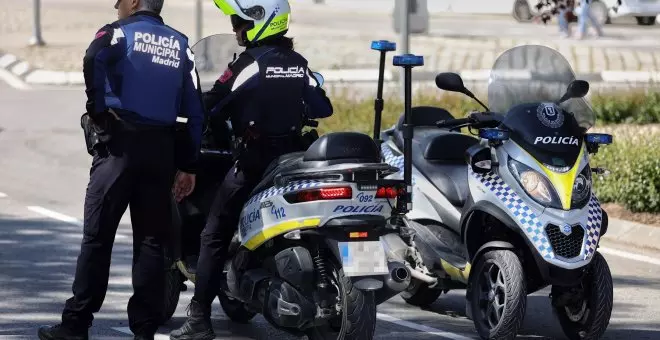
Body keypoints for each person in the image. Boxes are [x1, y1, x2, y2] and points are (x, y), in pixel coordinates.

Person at [37, 0, 204, 339]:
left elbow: (91, 57)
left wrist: (97, 112)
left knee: (97, 238)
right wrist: (187, 164)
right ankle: (143, 330)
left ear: (134, 2)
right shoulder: (181, 44)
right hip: (161, 152)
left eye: (119, 1)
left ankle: (76, 324)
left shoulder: (117, 34)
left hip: (119, 148)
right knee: (151, 243)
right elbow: (195, 111)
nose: (116, 6)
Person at [169, 0, 333, 339]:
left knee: (213, 233)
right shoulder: (299, 64)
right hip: (293, 161)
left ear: (260, 21)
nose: (234, 28)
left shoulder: (249, 64)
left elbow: (212, 104)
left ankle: (199, 318)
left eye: (238, 20)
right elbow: (323, 106)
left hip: (255, 162)